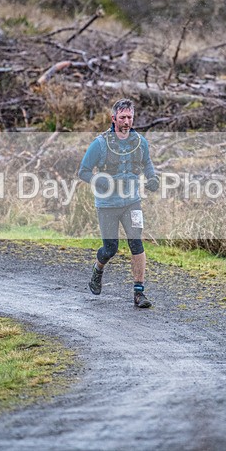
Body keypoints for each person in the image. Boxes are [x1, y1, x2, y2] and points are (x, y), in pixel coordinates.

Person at [78, 99, 160, 308]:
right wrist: (101, 181)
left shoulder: (140, 142)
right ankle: (98, 269)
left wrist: (152, 178)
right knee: (110, 248)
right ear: (113, 118)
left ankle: (139, 293)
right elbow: (84, 171)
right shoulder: (100, 144)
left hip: (132, 202)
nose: (126, 121)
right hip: (107, 205)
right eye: (122, 117)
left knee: (136, 242)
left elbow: (147, 163)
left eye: (130, 117)